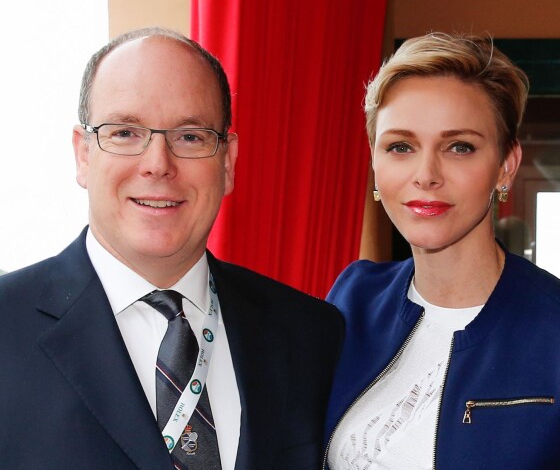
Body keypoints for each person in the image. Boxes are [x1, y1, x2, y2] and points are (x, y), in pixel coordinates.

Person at [0, 27, 343, 470]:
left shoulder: (310, 334)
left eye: (190, 136)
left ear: (227, 162)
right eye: (125, 132)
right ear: (83, 155)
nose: (158, 164)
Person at [323, 33, 560, 469]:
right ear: (374, 161)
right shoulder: (354, 297)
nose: (426, 174)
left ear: (506, 166)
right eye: (400, 147)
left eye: (459, 147)